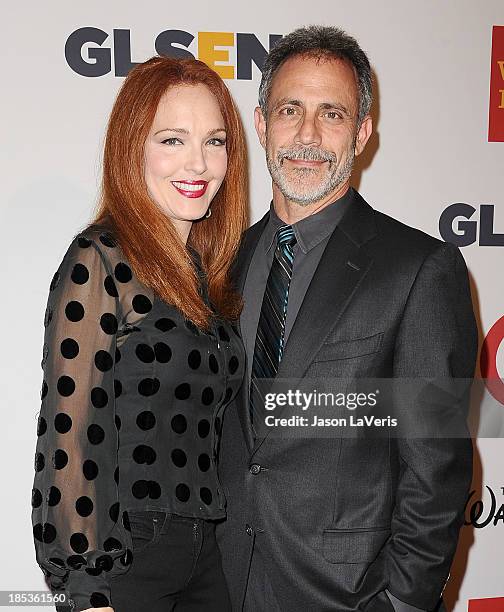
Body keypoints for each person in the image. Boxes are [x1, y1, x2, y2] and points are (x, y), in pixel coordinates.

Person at [216, 25, 478, 612]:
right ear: (261, 124)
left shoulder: (418, 269)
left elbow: (436, 461)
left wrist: (403, 601)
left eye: (331, 115)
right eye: (290, 110)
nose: (307, 136)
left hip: (349, 598)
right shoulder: (220, 262)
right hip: (223, 586)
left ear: (360, 135)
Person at [31, 56, 247, 612]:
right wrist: (85, 584)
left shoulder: (206, 274)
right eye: (173, 139)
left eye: (215, 141)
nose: (198, 162)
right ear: (133, 148)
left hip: (205, 554)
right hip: (128, 555)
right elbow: (71, 430)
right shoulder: (100, 258)